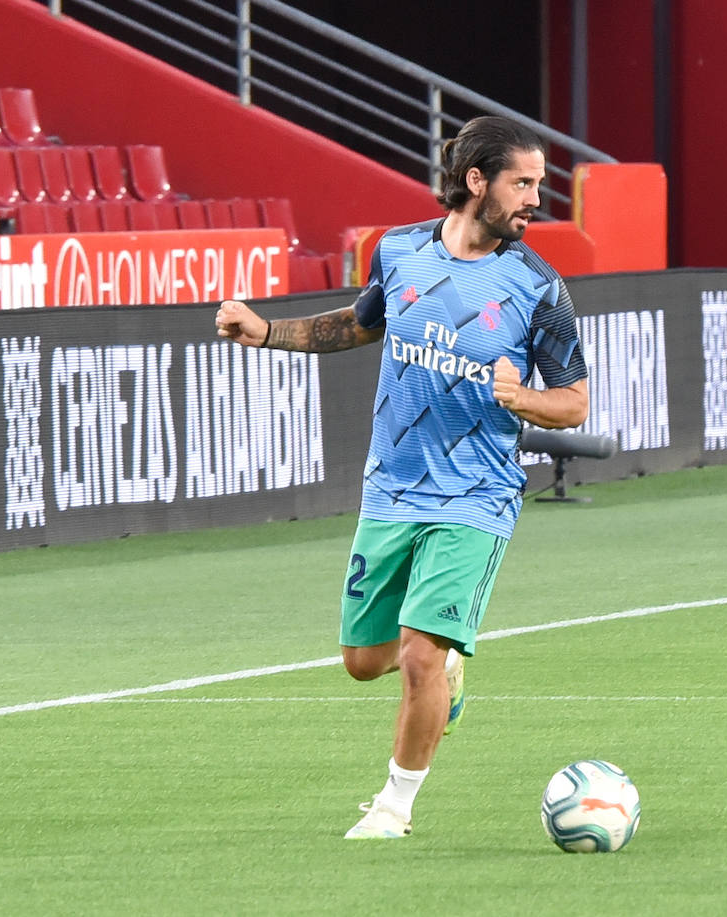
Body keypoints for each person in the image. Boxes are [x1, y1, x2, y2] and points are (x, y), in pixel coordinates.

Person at [214, 115, 589, 839]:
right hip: (391, 487)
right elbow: (361, 324)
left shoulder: (538, 286)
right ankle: (444, 675)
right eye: (523, 183)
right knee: (364, 662)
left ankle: (394, 806)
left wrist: (525, 401)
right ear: (476, 180)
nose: (534, 199)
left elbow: (574, 400)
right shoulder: (399, 251)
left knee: (419, 652)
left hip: (477, 496)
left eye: (539, 185)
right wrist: (267, 332)